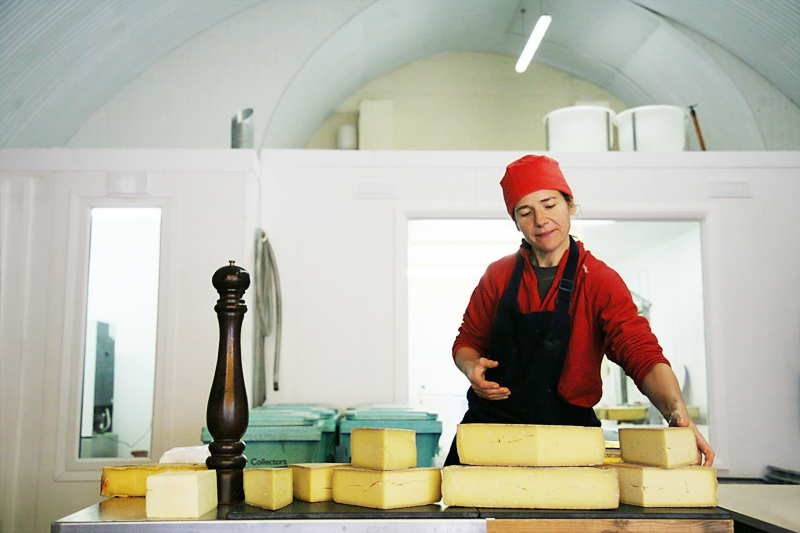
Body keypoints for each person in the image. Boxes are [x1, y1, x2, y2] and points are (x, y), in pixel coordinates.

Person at [444, 154, 714, 467]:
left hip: (568, 436)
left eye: (549, 204)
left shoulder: (600, 280)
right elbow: (467, 339)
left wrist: (678, 413)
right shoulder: (498, 275)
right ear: (515, 222)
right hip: (490, 430)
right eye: (525, 212)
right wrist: (470, 368)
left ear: (570, 205)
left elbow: (641, 355)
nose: (540, 220)